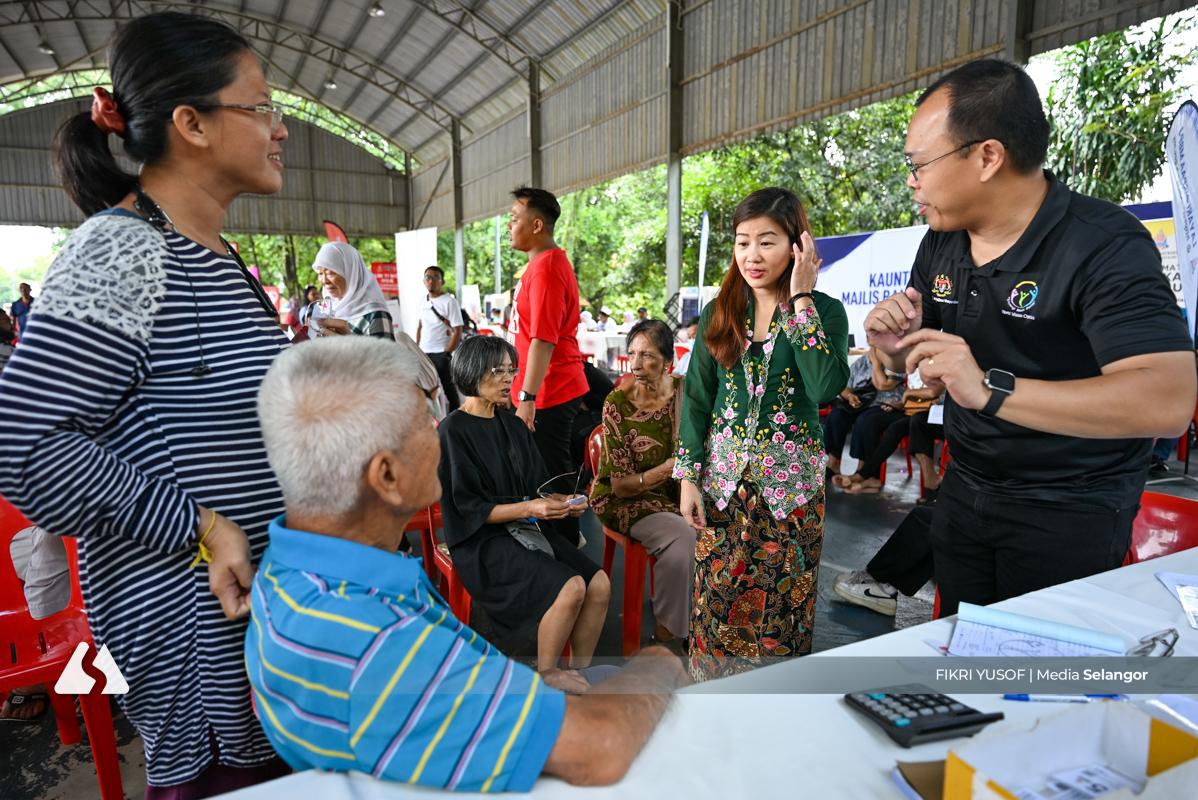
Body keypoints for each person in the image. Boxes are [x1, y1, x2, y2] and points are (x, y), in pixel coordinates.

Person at [0, 11, 291, 795]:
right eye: (261, 107)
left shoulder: (216, 254)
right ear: (191, 124)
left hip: (260, 629)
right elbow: (26, 445)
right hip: (199, 640)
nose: (280, 129)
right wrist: (201, 525)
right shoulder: (122, 249)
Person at [249, 336, 688, 792]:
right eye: (424, 422)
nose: (436, 431)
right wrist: (660, 662)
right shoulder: (379, 643)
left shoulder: (286, 572)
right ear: (387, 474)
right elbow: (599, 746)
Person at [864, 59, 1196, 617]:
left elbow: (1167, 401)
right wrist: (895, 356)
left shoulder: (1101, 245)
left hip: (1069, 507)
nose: (911, 181)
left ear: (987, 156)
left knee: (1036, 663)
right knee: (961, 651)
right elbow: (917, 370)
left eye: (918, 164)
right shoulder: (942, 243)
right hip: (965, 489)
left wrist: (990, 391)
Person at [674, 187, 849, 681]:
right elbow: (697, 399)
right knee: (714, 609)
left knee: (781, 619)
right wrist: (688, 477)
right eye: (742, 242)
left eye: (767, 242)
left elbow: (824, 386)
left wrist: (801, 298)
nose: (752, 255)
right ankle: (709, 707)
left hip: (791, 496)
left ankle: (774, 713)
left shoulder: (825, 311)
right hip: (722, 490)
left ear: (798, 246)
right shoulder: (721, 311)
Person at [438, 336, 609, 689]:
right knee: (571, 587)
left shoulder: (513, 425)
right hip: (482, 539)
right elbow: (469, 510)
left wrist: (565, 502)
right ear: (472, 372)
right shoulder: (454, 430)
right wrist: (531, 507)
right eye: (498, 371)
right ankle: (546, 679)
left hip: (525, 527)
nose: (508, 379)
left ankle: (580, 673)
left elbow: (537, 487)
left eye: (510, 370)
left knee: (599, 584)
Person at [591, 320, 695, 644]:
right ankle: (667, 634)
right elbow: (621, 486)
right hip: (626, 499)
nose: (635, 364)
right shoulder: (617, 404)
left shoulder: (685, 392)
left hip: (674, 493)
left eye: (647, 355)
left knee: (727, 525)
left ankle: (711, 622)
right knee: (683, 537)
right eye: (632, 353)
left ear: (668, 362)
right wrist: (666, 469)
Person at [507, 186, 589, 546]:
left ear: (537, 224)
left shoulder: (547, 268)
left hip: (550, 391)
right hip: (541, 390)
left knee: (552, 481)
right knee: (542, 476)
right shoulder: (539, 266)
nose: (510, 225)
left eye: (515, 218)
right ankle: (559, 546)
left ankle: (569, 553)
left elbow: (543, 339)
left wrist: (528, 397)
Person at [311, 241, 393, 338]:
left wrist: (348, 343)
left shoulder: (375, 315)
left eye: (331, 273)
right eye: (320, 273)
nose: (324, 281)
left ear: (350, 273)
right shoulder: (326, 310)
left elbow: (385, 348)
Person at [417, 264, 464, 411]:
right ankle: (431, 418)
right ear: (424, 281)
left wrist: (447, 353)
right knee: (425, 389)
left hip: (441, 353)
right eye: (428, 278)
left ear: (442, 281)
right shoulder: (422, 301)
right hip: (424, 352)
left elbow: (458, 329)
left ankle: (455, 417)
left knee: (449, 389)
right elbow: (420, 326)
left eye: (435, 277)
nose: (431, 281)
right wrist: (417, 348)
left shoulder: (450, 301)